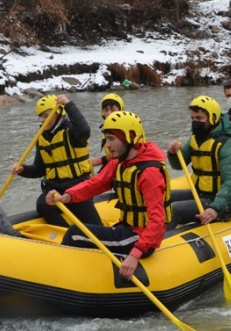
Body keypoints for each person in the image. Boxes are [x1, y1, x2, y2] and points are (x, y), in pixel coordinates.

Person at [46, 111, 170, 279]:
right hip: (127, 229)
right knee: (89, 232)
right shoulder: (120, 163)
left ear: (130, 137)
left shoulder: (149, 173)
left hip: (140, 239)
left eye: (112, 139)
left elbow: (158, 221)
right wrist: (67, 196)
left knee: (75, 232)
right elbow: (96, 184)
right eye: (107, 139)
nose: (108, 145)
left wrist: (135, 254)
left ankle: (58, 277)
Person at [10, 94, 100, 227]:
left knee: (96, 226)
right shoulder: (41, 138)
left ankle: (80, 235)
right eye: (40, 116)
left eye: (46, 116)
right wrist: (22, 169)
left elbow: (85, 131)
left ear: (59, 114)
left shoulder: (72, 132)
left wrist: (68, 104)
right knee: (42, 204)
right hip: (54, 190)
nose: (42, 120)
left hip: (78, 187)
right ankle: (66, 232)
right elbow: (39, 169)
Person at [167, 95, 231, 225]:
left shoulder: (227, 143)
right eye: (193, 118)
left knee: (174, 210)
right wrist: (173, 153)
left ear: (213, 118)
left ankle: (161, 243)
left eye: (199, 118)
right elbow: (179, 165)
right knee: (164, 198)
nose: (195, 122)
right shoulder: (196, 138)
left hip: (223, 204)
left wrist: (215, 208)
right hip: (201, 194)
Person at [90, 92, 125, 171]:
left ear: (120, 110)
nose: (109, 113)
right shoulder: (107, 129)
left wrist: (98, 161)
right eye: (106, 110)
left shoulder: (124, 128)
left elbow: (122, 155)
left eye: (113, 110)